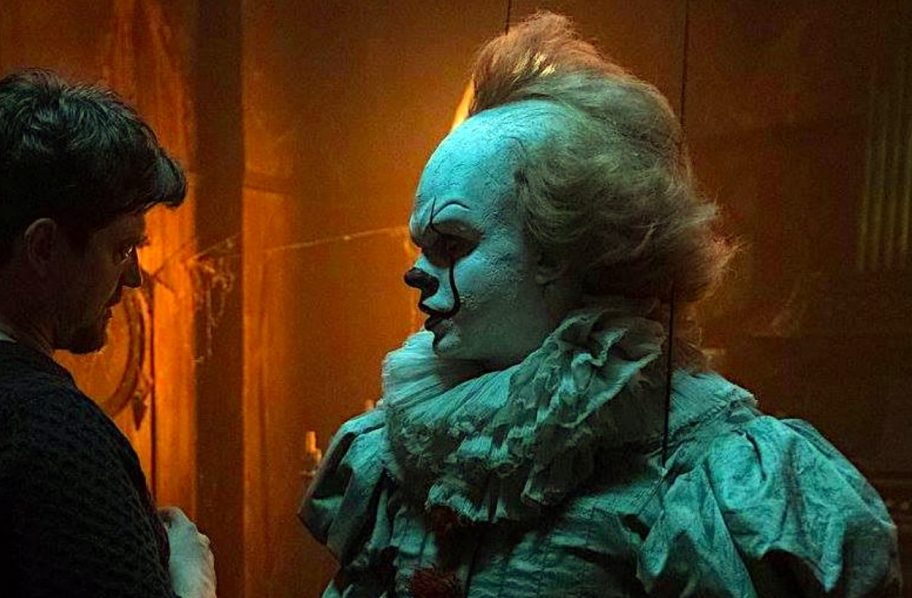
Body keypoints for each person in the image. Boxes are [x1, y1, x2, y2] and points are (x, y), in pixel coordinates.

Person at [300, 13, 901, 597]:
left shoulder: (706, 463)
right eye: (421, 246)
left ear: (561, 247)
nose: (415, 273)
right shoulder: (407, 440)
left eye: (452, 244)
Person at [0, 69, 215, 598]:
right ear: (43, 247)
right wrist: (192, 578)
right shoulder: (57, 440)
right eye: (122, 249)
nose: (134, 277)